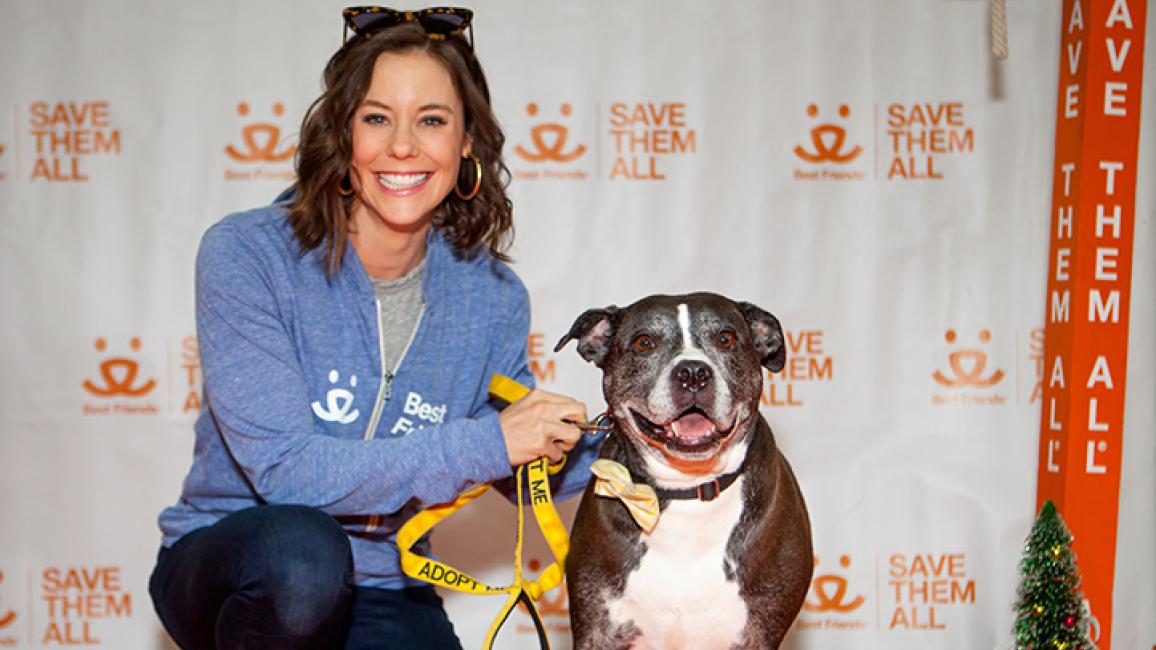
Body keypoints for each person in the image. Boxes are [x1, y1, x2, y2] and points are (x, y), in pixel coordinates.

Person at [148, 8, 607, 649]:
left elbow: (515, 467)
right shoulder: (246, 254)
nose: (402, 147)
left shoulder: (494, 297)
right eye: (376, 118)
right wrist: (491, 442)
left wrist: (635, 440)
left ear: (467, 141)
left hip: (384, 581)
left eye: (432, 120)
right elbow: (286, 472)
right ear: (342, 133)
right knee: (303, 557)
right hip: (242, 561)